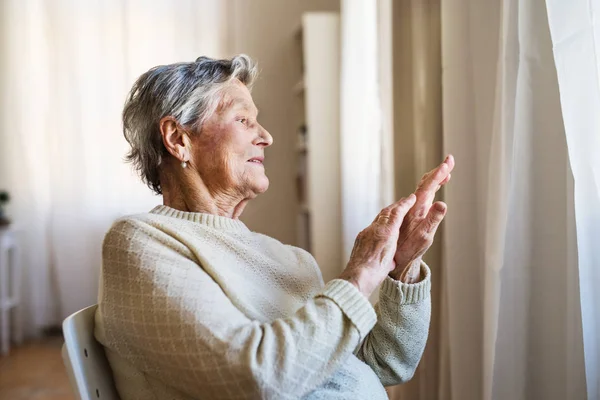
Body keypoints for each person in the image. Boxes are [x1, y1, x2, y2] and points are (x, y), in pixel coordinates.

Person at [95, 54, 455, 400]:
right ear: (178, 139)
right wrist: (360, 276)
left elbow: (382, 365)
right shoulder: (141, 243)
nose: (266, 136)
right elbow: (256, 378)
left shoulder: (288, 259)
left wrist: (399, 266)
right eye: (243, 120)